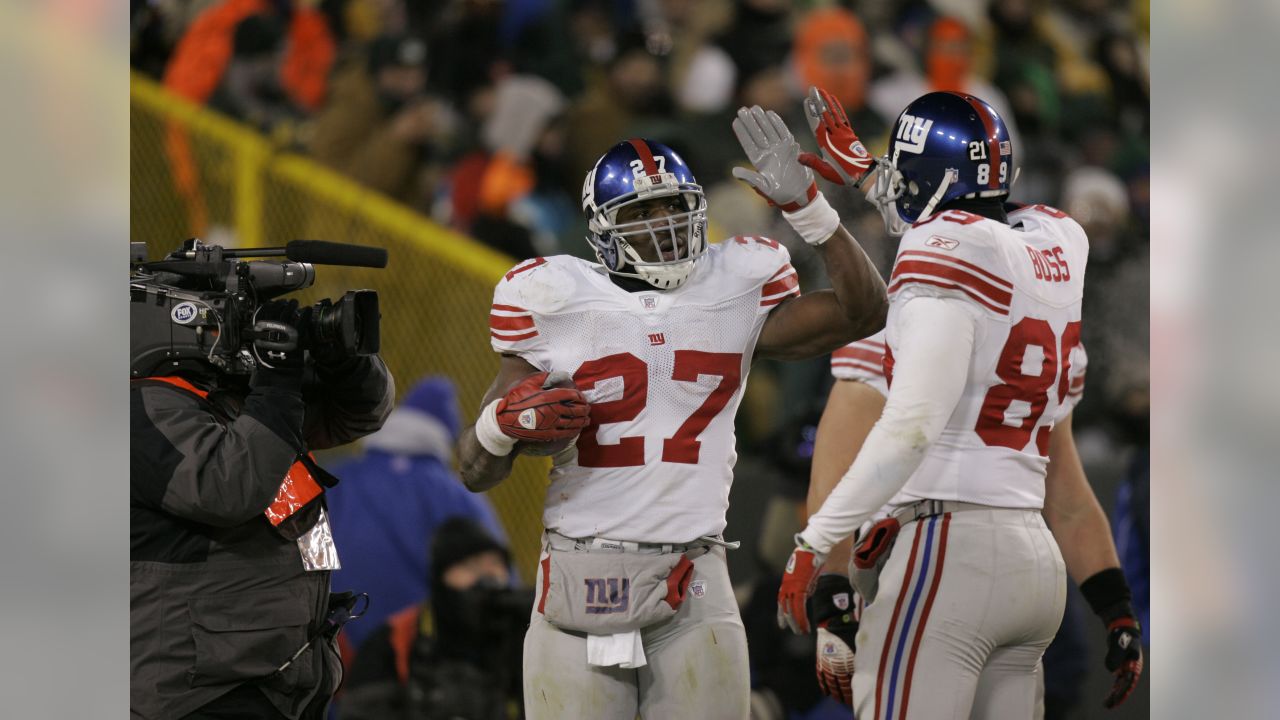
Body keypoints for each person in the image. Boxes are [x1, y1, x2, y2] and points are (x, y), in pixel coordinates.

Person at [456, 104, 889, 718]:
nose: (662, 224)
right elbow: (473, 470)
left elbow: (865, 312)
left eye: (672, 207)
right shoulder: (554, 299)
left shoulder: (733, 284)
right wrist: (498, 428)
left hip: (695, 574)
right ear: (603, 228)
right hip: (581, 574)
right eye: (641, 213)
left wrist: (810, 209)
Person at [776, 88, 1143, 718]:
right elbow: (1066, 481)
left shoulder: (935, 261)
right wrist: (1115, 605)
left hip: (947, 551)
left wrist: (816, 546)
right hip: (1034, 564)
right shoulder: (1059, 241)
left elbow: (911, 425)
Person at [806, 331, 1143, 716]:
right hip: (1030, 559)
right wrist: (1117, 608)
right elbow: (1068, 502)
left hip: (936, 552)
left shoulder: (908, 315)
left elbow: (833, 474)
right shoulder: (1053, 331)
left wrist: (832, 594)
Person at [131, 297, 394, 720]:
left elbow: (360, 411)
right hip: (194, 692)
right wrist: (276, 382)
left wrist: (337, 357)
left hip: (271, 679)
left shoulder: (226, 397)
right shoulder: (136, 408)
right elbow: (225, 486)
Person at [324, 376, 505, 656]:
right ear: (444, 436)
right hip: (414, 658)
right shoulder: (452, 494)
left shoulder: (337, 479)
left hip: (335, 646)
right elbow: (498, 573)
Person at [338, 517, 530, 720]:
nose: (487, 577)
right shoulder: (397, 639)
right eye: (470, 566)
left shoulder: (526, 630)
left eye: (495, 564)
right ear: (441, 577)